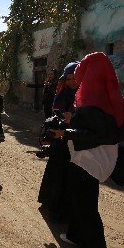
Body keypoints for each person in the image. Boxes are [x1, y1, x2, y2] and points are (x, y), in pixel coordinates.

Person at [51, 52, 124, 248]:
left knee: (86, 208)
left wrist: (65, 132)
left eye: (81, 72)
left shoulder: (95, 99)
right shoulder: (103, 96)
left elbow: (94, 134)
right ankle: (76, 235)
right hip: (90, 160)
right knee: (80, 201)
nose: (77, 77)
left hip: (90, 161)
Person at [37, 61, 79, 224]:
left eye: (74, 78)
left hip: (77, 142)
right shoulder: (62, 94)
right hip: (60, 141)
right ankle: (51, 203)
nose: (70, 82)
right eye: (67, 79)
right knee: (56, 172)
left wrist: (73, 119)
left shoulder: (86, 96)